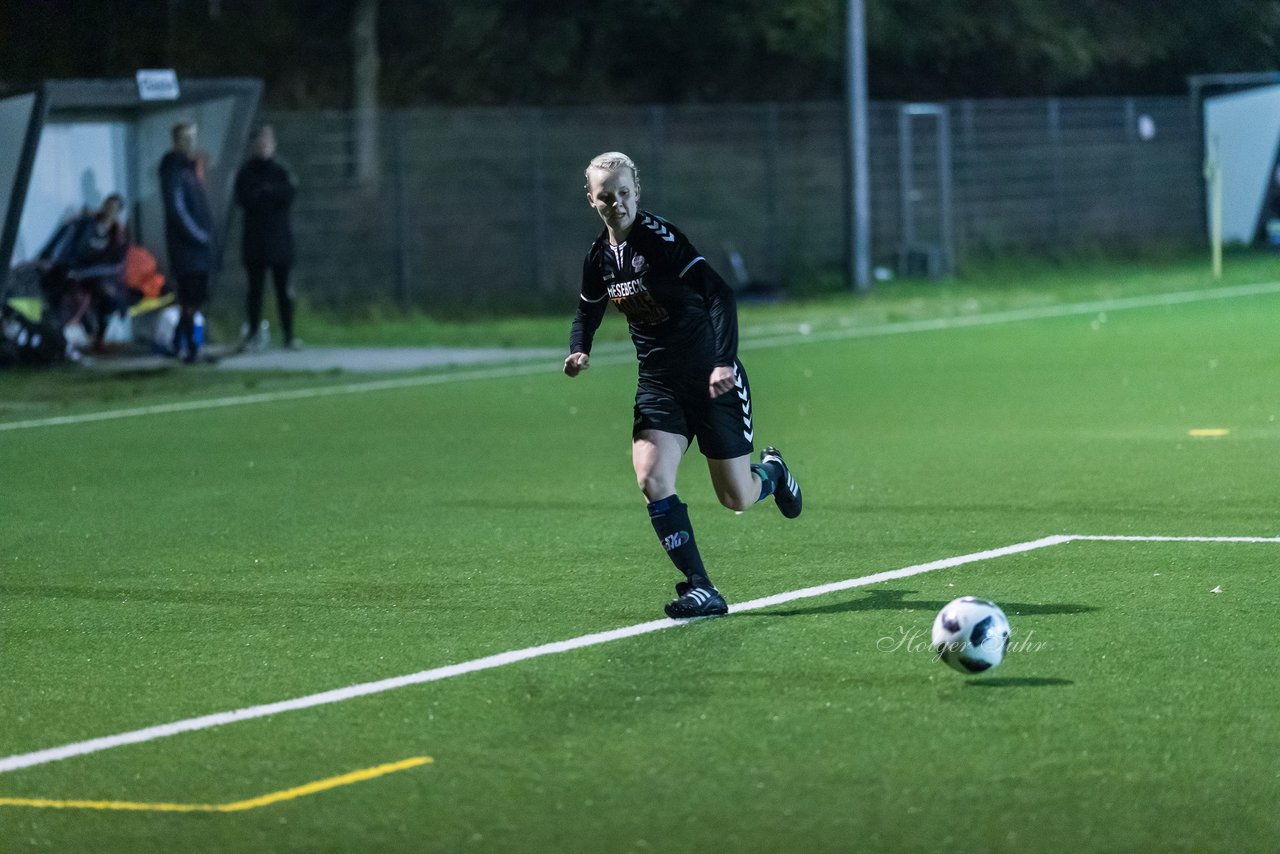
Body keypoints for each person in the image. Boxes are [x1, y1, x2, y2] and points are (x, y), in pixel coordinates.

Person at [564, 151, 802, 620]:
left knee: (736, 497)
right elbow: (587, 306)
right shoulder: (599, 257)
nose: (618, 204)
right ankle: (701, 588)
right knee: (652, 478)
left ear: (638, 191)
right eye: (606, 197)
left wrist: (721, 363)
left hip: (712, 381)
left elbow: (720, 294)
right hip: (659, 384)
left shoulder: (662, 241)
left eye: (625, 193)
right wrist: (580, 348)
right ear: (591, 200)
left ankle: (771, 474)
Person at [234, 125, 300, 350]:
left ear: (273, 144)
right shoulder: (246, 172)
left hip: (280, 243)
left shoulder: (282, 170)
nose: (263, 146)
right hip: (255, 243)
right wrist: (267, 195)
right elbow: (246, 198)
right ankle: (253, 333)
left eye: (267, 141)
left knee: (284, 291)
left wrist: (267, 194)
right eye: (259, 141)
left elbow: (287, 194)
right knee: (255, 291)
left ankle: (289, 335)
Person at [159, 120, 216, 363]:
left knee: (195, 298)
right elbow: (177, 210)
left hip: (198, 247)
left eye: (193, 137)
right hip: (186, 247)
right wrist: (199, 235)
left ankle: (179, 342)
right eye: (185, 138)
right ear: (175, 141)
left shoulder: (190, 168)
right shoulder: (173, 168)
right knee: (190, 298)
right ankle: (191, 347)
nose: (190, 142)